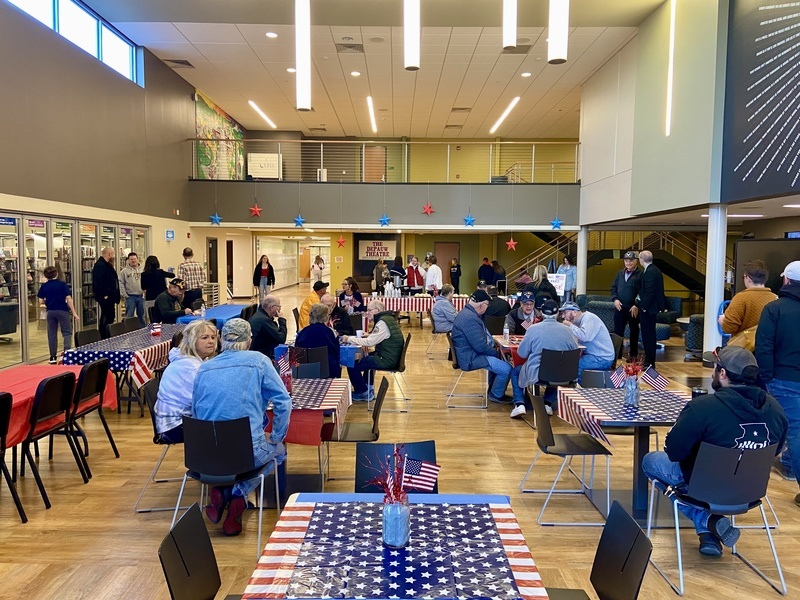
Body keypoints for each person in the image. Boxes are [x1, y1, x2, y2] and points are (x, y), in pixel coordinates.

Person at [642, 346, 787, 557]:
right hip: (749, 489)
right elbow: (775, 452)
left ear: (723, 373)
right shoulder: (776, 410)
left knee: (649, 461)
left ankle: (709, 520)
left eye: (715, 366)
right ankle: (708, 533)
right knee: (713, 477)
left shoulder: (702, 408)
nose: (712, 371)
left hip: (702, 486)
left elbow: (674, 452)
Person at [193, 318, 290, 536]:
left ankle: (222, 492)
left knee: (242, 449)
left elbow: (196, 411)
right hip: (246, 449)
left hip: (206, 454)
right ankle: (239, 492)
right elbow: (284, 402)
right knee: (279, 451)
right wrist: (277, 435)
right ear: (249, 341)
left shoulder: (204, 368)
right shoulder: (259, 361)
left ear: (221, 339)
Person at [756, 260, 800, 490]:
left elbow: (763, 346)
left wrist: (767, 376)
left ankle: (792, 469)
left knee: (794, 431)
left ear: (786, 280)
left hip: (784, 378)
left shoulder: (775, 308)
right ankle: (790, 468)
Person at [154, 320, 218, 443]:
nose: (211, 341)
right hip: (173, 426)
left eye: (213, 337)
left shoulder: (188, 360)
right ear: (192, 341)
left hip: (173, 420)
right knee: (230, 426)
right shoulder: (190, 367)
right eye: (204, 338)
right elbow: (205, 401)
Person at [517, 299, 579, 415]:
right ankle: (547, 403)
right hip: (563, 374)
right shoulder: (568, 331)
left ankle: (519, 404)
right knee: (555, 368)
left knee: (515, 371)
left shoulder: (533, 329)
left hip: (538, 373)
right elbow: (575, 351)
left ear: (542, 313)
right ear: (557, 314)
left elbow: (522, 353)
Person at [451, 290, 513, 404]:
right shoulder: (470, 319)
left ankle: (493, 390)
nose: (487, 308)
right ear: (482, 305)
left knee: (500, 362)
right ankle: (496, 395)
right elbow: (480, 347)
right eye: (487, 305)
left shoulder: (466, 314)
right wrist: (497, 353)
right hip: (471, 358)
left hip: (469, 354)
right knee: (507, 369)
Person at [342, 299, 404, 401]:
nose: (367, 313)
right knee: (367, 358)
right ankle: (368, 389)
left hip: (387, 359)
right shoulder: (388, 319)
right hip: (391, 355)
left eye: (370, 310)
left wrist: (349, 338)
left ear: (377, 310)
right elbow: (381, 336)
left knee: (352, 365)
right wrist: (369, 335)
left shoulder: (382, 323)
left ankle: (362, 392)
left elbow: (370, 342)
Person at [719, 259, 777, 340]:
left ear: (748, 278)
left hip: (743, 349)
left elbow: (729, 328)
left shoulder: (740, 298)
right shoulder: (775, 298)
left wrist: (722, 321)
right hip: (768, 347)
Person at [559, 302, 616, 379]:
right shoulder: (579, 322)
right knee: (570, 362)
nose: (563, 316)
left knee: (574, 366)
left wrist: (570, 326)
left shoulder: (589, 318)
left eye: (565, 313)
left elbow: (585, 337)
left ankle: (580, 389)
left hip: (602, 358)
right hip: (594, 355)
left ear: (574, 312)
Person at [37, 265, 79, 363]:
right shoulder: (62, 285)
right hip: (62, 310)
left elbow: (40, 301)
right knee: (67, 332)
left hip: (50, 311)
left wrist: (47, 301)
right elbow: (69, 299)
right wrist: (74, 313)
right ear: (56, 274)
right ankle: (66, 354)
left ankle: (52, 357)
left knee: (52, 333)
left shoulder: (44, 286)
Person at [611, 251, 643, 360]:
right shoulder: (619, 273)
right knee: (618, 331)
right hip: (620, 307)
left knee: (634, 331)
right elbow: (613, 288)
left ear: (636, 261)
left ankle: (633, 355)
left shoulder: (641, 274)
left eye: (631, 260)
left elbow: (642, 292)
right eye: (626, 260)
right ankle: (617, 355)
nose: (628, 263)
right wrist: (615, 300)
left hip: (633, 308)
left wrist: (636, 305)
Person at [295, 303, 341, 378]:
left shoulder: (302, 333)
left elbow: (296, 352)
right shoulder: (330, 332)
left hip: (305, 371)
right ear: (325, 317)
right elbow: (336, 352)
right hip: (327, 370)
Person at [636, 250, 665, 367]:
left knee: (648, 335)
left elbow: (649, 292)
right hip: (651, 308)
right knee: (648, 334)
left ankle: (649, 362)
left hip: (648, 309)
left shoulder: (650, 272)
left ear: (641, 259)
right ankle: (649, 360)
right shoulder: (654, 270)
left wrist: (644, 306)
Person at [92, 246, 120, 339]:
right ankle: (104, 335)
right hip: (105, 296)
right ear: (109, 254)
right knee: (106, 316)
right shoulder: (100, 265)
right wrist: (104, 294)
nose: (114, 256)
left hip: (110, 296)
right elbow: (99, 281)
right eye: (113, 254)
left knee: (109, 315)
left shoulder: (107, 265)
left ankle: (107, 334)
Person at [249, 295, 287, 360]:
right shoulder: (264, 320)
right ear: (271, 307)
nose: (280, 309)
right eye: (279, 306)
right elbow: (281, 339)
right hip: (261, 355)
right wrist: (282, 320)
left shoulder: (260, 315)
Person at [141, 255, 172, 321]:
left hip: (150, 297)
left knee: (152, 318)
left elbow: (143, 287)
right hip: (162, 298)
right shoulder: (160, 272)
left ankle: (153, 330)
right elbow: (172, 275)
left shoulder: (144, 274)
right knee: (163, 317)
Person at [119, 252, 145, 327]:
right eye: (131, 259)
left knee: (142, 316)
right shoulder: (124, 271)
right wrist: (124, 294)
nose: (133, 261)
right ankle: (128, 331)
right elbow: (121, 283)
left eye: (134, 259)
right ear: (128, 261)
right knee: (129, 316)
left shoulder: (143, 270)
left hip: (141, 296)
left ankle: (142, 332)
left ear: (137, 259)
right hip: (130, 297)